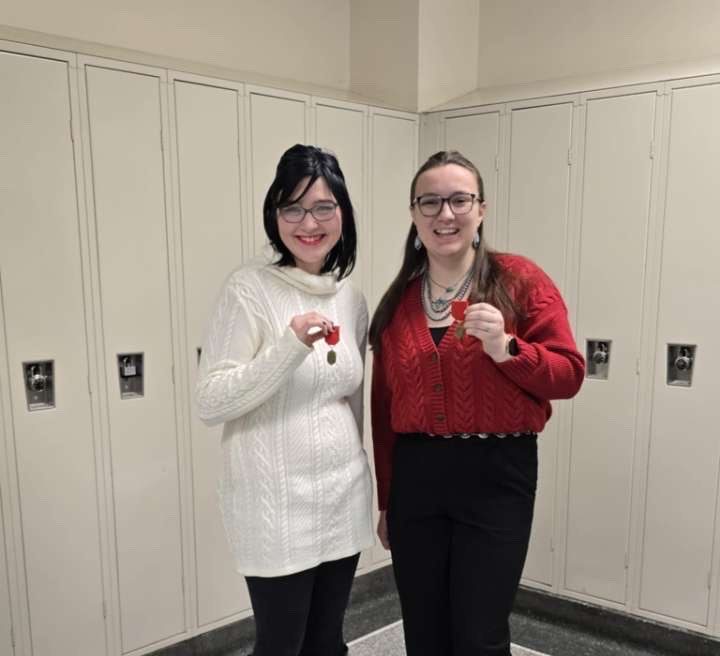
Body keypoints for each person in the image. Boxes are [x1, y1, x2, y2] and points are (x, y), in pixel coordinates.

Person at [369, 150, 585, 656]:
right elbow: (383, 414)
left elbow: (569, 375)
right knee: (423, 629)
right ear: (414, 213)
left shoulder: (519, 280)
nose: (446, 214)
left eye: (460, 200)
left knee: (479, 635)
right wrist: (386, 499)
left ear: (481, 210)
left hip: (496, 473)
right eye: (431, 202)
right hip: (417, 478)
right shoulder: (399, 301)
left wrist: (508, 350)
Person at [196, 144, 373, 656]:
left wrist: (367, 478)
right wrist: (288, 347)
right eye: (291, 208)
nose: (307, 222)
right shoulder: (248, 289)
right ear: (275, 217)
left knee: (327, 642)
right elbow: (211, 401)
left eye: (322, 207)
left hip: (342, 497)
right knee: (281, 645)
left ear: (342, 213)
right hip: (274, 509)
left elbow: (351, 399)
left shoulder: (350, 297)